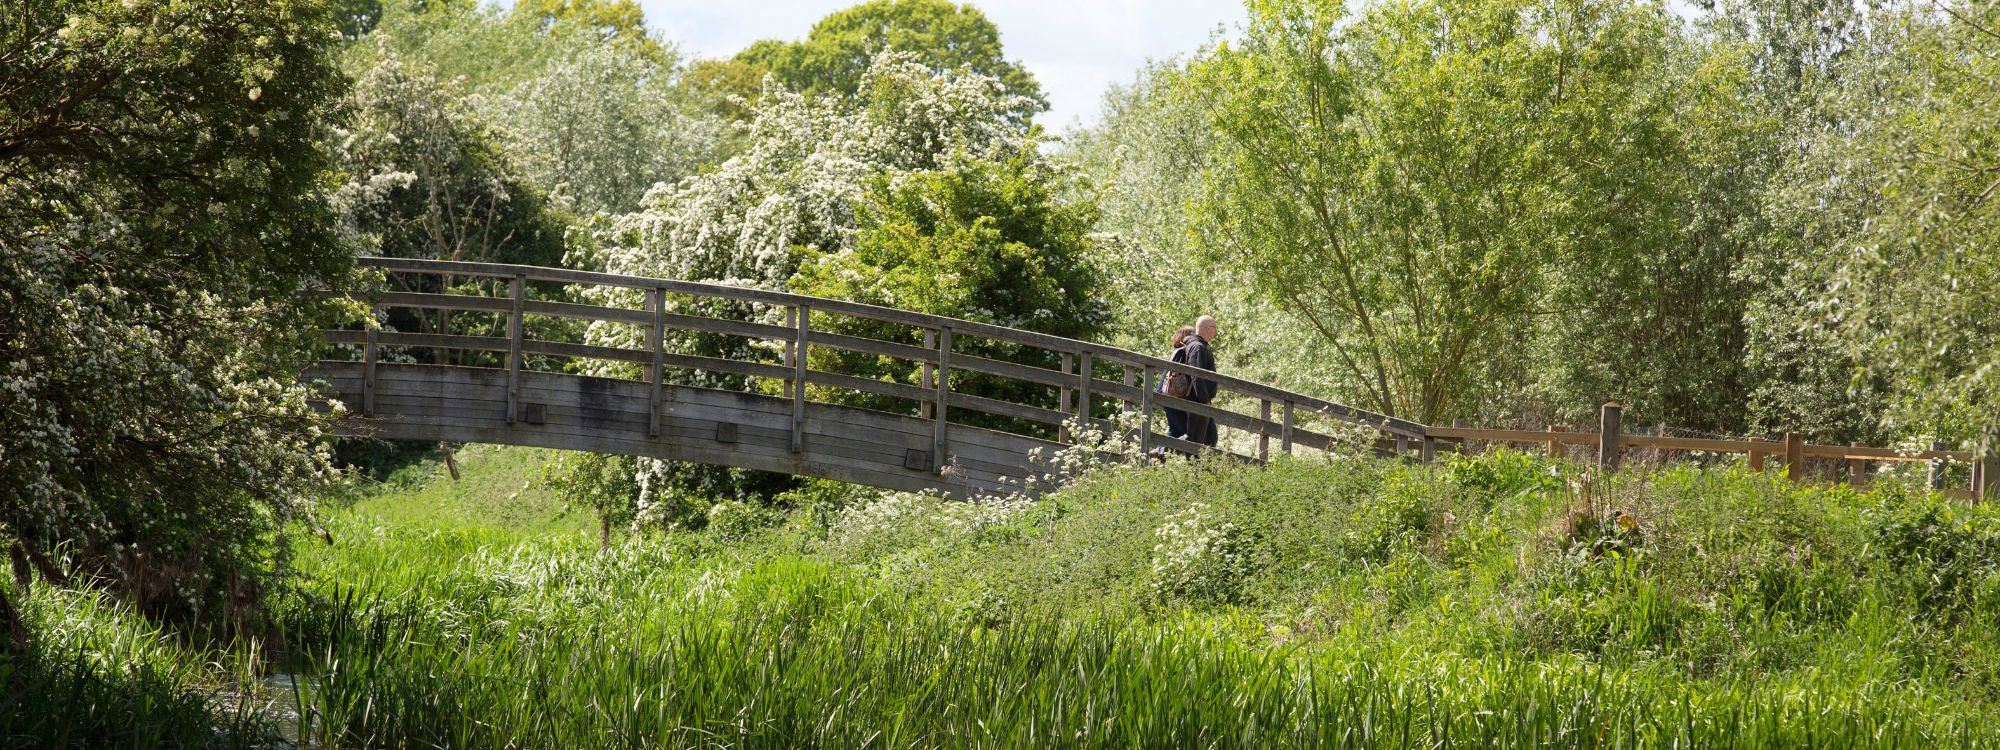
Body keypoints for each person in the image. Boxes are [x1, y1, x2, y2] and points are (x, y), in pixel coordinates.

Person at [1181, 315, 1220, 447]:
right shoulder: (1198, 347)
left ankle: (1204, 468)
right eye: (1214, 327)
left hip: (1202, 400)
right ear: (1208, 328)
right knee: (1195, 441)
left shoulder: (1197, 346)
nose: (1216, 331)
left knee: (1210, 438)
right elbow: (1196, 375)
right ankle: (1161, 451)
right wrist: (1204, 401)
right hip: (1198, 401)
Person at [1161, 325, 1196, 440]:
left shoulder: (1176, 352)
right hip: (1172, 395)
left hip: (1165, 394)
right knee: (1188, 432)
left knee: (1175, 430)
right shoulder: (1182, 352)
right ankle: (1160, 452)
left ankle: (1157, 455)